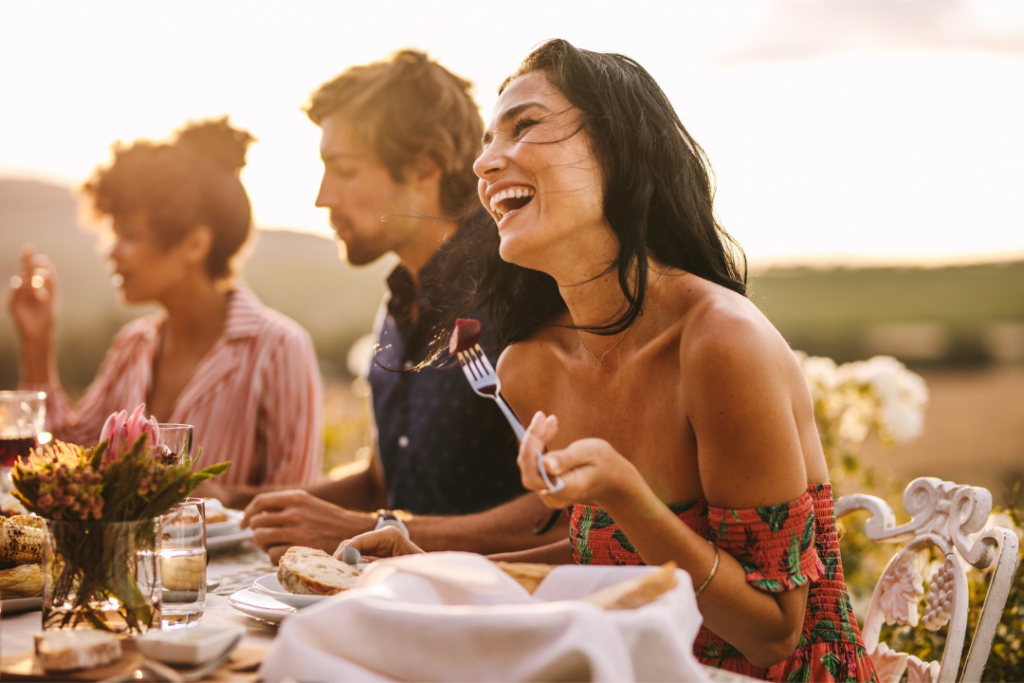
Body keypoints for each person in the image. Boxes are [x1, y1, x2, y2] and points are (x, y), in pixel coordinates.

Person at [341, 41, 878, 682]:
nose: (484, 163)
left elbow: (771, 632)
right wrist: (427, 558)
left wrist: (624, 493)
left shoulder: (720, 344)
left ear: (618, 149)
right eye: (486, 141)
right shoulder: (531, 367)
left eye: (525, 125)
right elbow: (611, 557)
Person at [241, 50, 568, 563]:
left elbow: (570, 509)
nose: (323, 197)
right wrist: (246, 508)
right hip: (400, 605)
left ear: (423, 170)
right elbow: (382, 478)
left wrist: (375, 527)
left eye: (343, 170)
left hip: (503, 615)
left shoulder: (528, 290)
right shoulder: (398, 302)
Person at [7, 118, 323, 491]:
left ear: (194, 245)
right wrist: (38, 342)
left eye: (130, 235)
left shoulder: (280, 347)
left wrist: (216, 497)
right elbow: (67, 461)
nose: (111, 251)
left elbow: (297, 501)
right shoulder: (133, 344)